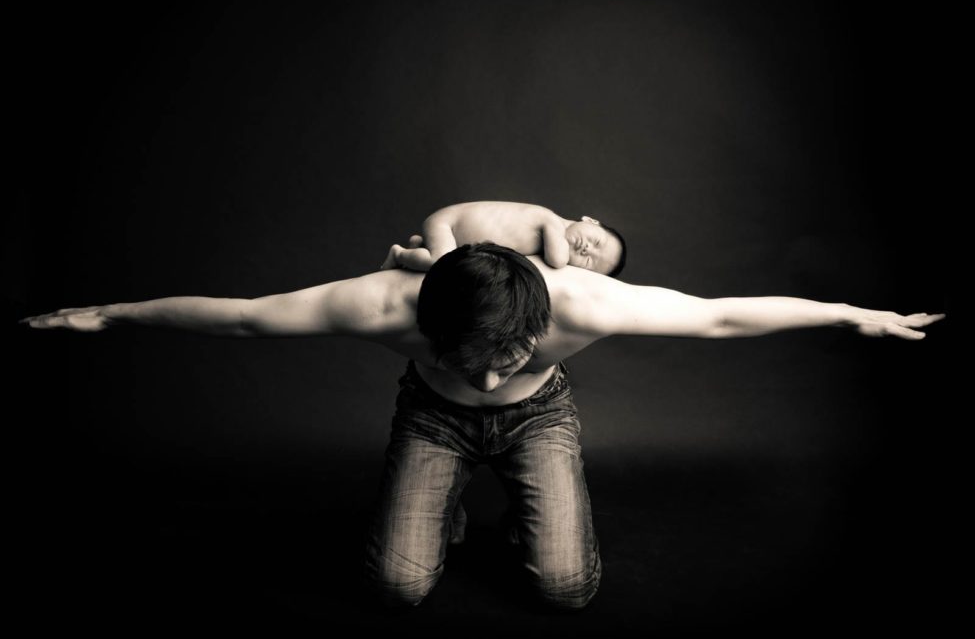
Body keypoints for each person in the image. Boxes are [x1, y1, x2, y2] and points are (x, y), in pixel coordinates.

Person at [20, 243, 943, 610]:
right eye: (478, 357)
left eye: (513, 349)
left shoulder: (581, 302)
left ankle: (513, 507)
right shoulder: (381, 305)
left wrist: (849, 313)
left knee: (569, 591)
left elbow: (719, 314)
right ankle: (448, 508)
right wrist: (113, 313)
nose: (496, 368)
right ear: (428, 330)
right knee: (396, 589)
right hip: (433, 425)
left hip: (539, 426)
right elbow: (241, 315)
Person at [380, 200, 627, 276]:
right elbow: (558, 259)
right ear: (590, 221)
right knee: (440, 264)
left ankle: (418, 247)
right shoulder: (550, 221)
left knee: (444, 260)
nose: (586, 250)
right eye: (596, 242)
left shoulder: (548, 230)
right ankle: (399, 254)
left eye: (590, 262)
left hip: (454, 233)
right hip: (448, 223)